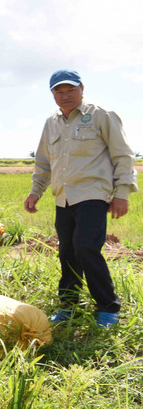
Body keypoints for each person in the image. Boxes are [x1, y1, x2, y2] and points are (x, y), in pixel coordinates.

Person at [24, 69, 138, 328]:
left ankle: (108, 307)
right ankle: (69, 305)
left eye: (71, 90)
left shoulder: (101, 115)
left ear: (82, 89)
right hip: (63, 197)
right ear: (52, 94)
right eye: (59, 91)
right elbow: (43, 162)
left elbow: (123, 155)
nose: (65, 96)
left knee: (86, 246)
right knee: (67, 251)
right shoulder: (51, 123)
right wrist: (35, 191)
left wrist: (122, 193)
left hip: (93, 194)